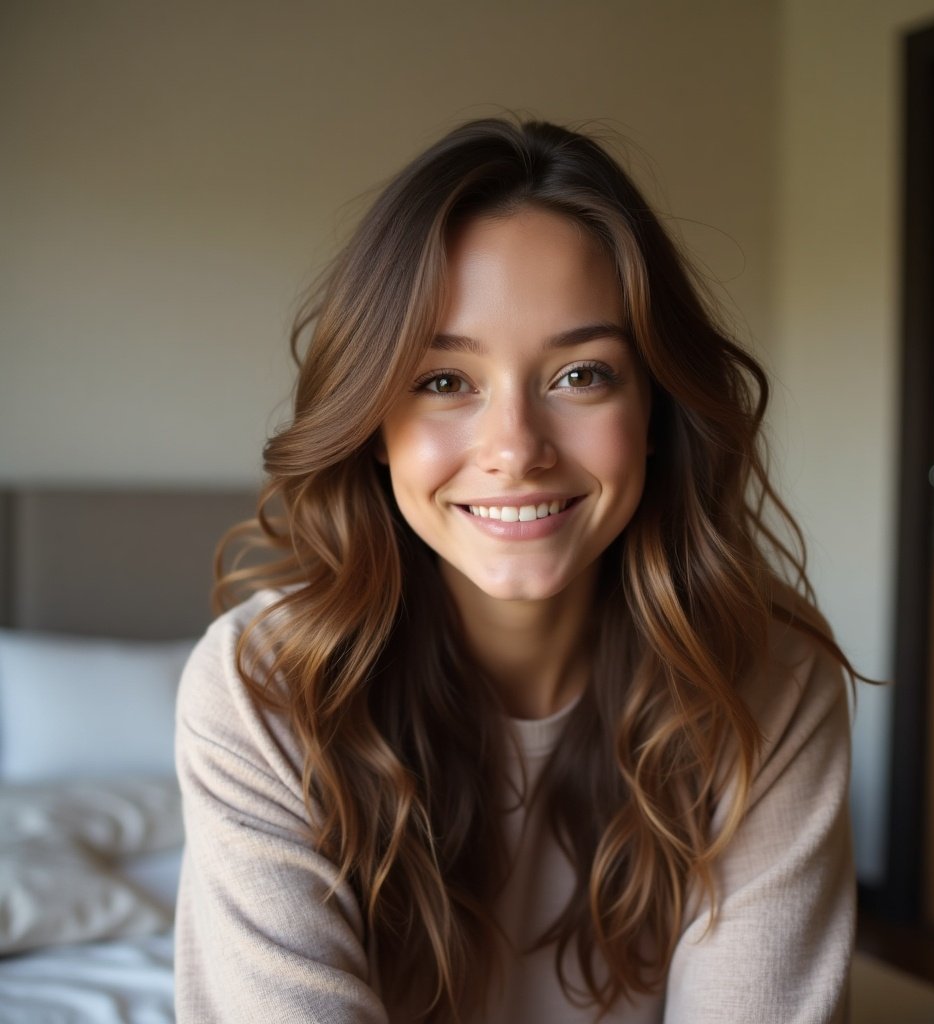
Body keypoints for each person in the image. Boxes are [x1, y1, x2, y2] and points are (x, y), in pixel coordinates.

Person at [175, 117, 856, 1024]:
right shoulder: (263, 688)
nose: (515, 452)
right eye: (444, 381)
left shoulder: (770, 681)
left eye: (581, 376)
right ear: (373, 424)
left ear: (654, 410)